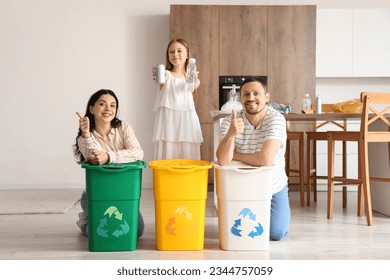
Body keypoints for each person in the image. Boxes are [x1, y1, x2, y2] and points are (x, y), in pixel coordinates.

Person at [216, 77, 290, 241]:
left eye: (256, 93)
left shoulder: (276, 119)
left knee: (275, 233)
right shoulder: (230, 121)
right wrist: (231, 134)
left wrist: (236, 156)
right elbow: (222, 160)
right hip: (242, 188)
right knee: (237, 232)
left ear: (267, 97)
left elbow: (265, 159)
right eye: (246, 94)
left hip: (273, 188)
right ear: (240, 98)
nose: (250, 98)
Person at [73, 89, 144, 237]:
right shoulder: (84, 138)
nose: (108, 109)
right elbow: (94, 158)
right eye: (102, 104)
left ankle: (89, 219)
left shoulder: (124, 128)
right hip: (96, 194)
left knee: (136, 231)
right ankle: (84, 222)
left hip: (123, 193)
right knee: (100, 232)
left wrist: (109, 157)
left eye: (113, 106)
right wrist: (86, 134)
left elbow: (137, 152)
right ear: (92, 108)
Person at [152, 38, 203, 160]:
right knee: (168, 154)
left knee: (188, 155)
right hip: (169, 123)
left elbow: (191, 86)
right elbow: (161, 77)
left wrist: (192, 79)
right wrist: (158, 74)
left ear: (187, 55)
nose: (175, 54)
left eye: (179, 51)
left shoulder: (194, 78)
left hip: (187, 122)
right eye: (171, 52)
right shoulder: (166, 75)